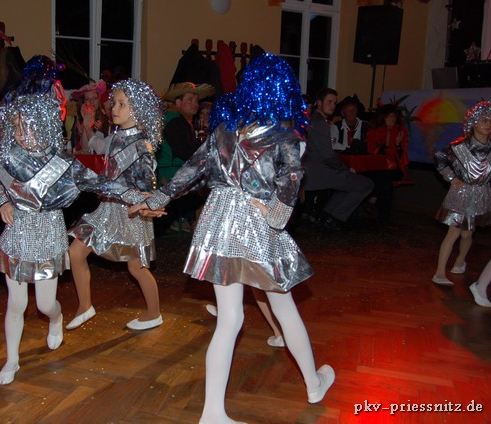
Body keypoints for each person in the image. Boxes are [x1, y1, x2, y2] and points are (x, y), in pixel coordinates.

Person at [132, 54, 334, 422]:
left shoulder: (226, 129)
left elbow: (192, 169)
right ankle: (313, 384)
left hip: (219, 218)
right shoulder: (285, 134)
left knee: (229, 320)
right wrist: (273, 215)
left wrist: (157, 199)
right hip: (255, 224)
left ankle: (213, 413)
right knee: (284, 307)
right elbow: (289, 187)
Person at [0, 56, 146, 385]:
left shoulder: (63, 164)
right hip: (17, 233)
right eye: (15, 127)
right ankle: (12, 360)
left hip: (48, 232)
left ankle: (56, 319)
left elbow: (103, 184)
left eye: (26, 127)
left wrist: (140, 198)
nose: (20, 134)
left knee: (46, 304)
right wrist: (2, 201)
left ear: (44, 125)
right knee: (16, 303)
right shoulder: (8, 156)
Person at [67, 78, 164, 331]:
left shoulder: (142, 146)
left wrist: (144, 203)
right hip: (107, 209)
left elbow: (147, 186)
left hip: (131, 214)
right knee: (75, 252)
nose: (114, 108)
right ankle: (85, 306)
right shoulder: (116, 136)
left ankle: (154, 313)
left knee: (137, 268)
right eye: (114, 103)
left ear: (138, 109)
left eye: (122, 104)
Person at [432, 101, 491, 286]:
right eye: (484, 120)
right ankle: (439, 273)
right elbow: (440, 158)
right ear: (473, 123)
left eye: (490, 120)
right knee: (454, 233)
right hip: (461, 193)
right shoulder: (459, 146)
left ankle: (460, 261)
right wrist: (451, 178)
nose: (488, 124)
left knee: (467, 234)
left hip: (481, 194)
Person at [302, 87, 374, 231]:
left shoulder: (315, 119)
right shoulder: (320, 122)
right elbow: (328, 156)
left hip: (316, 169)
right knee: (366, 185)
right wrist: (346, 169)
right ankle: (334, 217)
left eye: (334, 103)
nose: (332, 106)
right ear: (319, 103)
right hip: (320, 172)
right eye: (329, 102)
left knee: (351, 185)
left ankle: (327, 215)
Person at [156, 82, 215, 234]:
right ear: (177, 102)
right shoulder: (175, 121)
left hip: (179, 171)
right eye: (190, 99)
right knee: (209, 191)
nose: (195, 104)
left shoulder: (180, 121)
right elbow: (185, 151)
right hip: (174, 173)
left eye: (196, 100)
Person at [363, 103, 410, 222]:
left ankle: (373, 199)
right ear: (382, 118)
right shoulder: (375, 132)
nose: (392, 119)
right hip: (378, 168)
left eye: (394, 116)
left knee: (384, 176)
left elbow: (401, 159)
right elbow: (372, 154)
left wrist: (398, 145)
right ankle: (384, 216)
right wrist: (383, 146)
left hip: (394, 168)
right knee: (385, 183)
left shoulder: (400, 132)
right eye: (389, 116)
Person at [71, 80, 109, 152]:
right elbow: (85, 148)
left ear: (99, 100)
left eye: (95, 98)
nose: (91, 102)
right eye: (87, 99)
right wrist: (86, 121)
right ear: (83, 102)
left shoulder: (106, 117)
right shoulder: (78, 120)